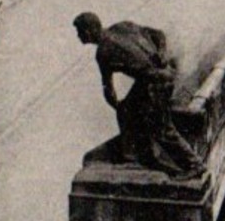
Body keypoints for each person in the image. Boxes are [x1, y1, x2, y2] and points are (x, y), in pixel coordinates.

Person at [73, 13, 205, 179]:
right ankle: (136, 156)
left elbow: (108, 88)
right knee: (128, 108)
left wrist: (116, 104)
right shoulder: (122, 26)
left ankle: (194, 164)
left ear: (89, 31)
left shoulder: (103, 52)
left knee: (162, 128)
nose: (78, 36)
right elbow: (158, 34)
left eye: (79, 32)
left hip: (155, 83)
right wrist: (162, 53)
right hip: (161, 75)